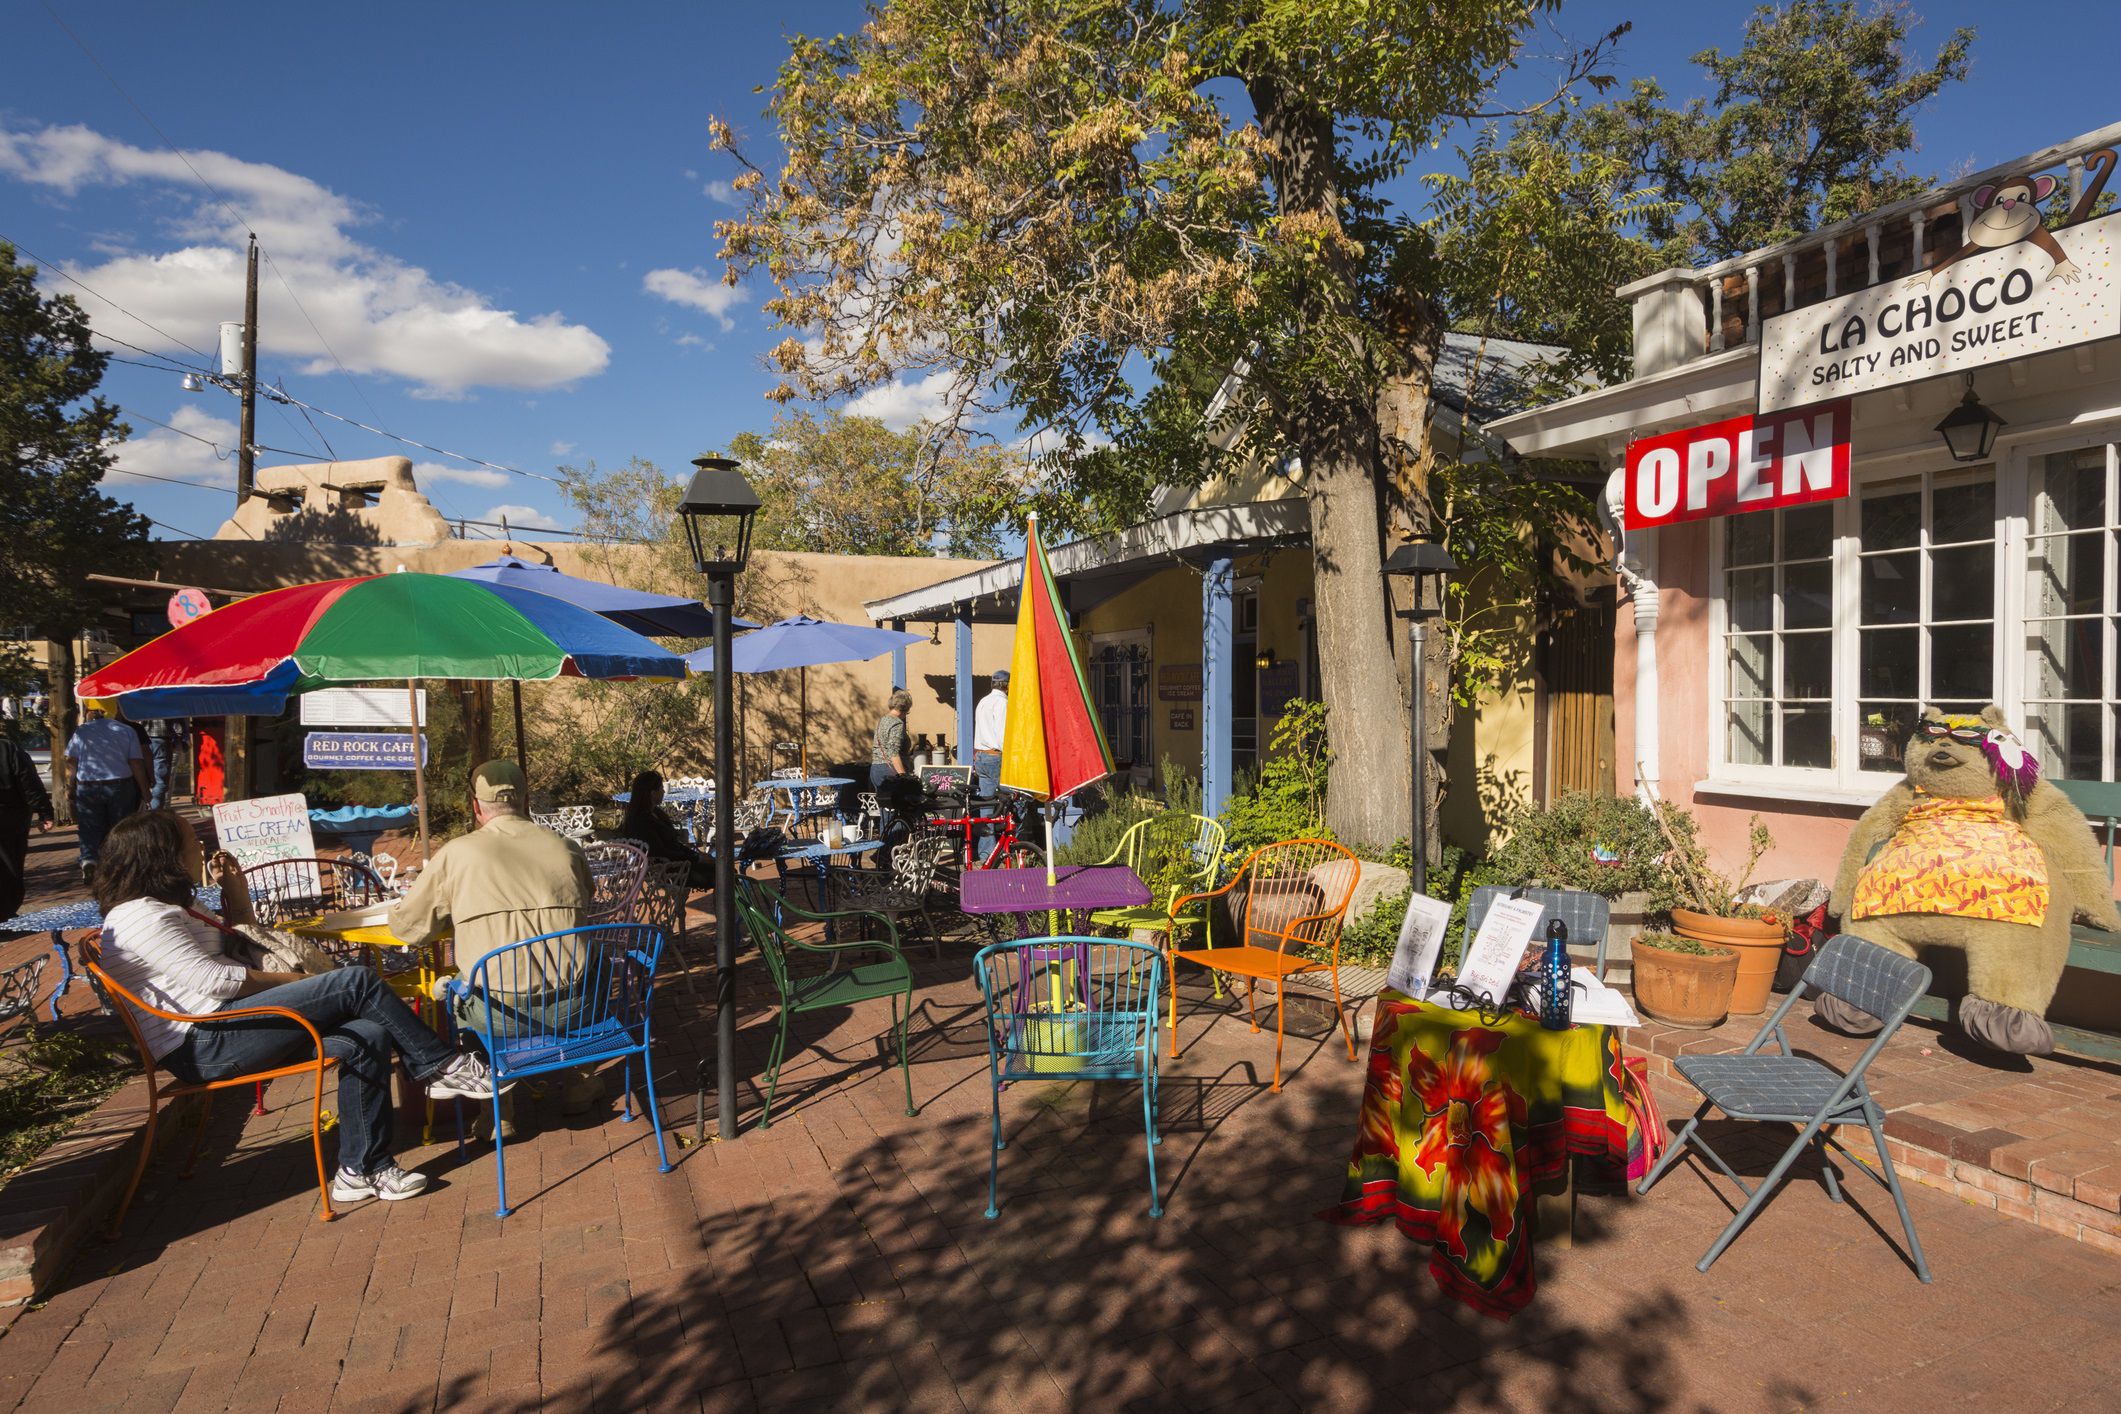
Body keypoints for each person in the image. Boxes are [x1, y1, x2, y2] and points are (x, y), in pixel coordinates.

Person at [93, 810, 503, 1204]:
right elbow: (216, 980)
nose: (199, 847)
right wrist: (302, 983)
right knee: (355, 981)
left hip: (233, 1024)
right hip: (205, 1043)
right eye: (189, 840)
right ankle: (440, 1065)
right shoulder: (140, 918)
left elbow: (239, 947)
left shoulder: (170, 905)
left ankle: (362, 1169)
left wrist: (233, 892)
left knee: (368, 1035)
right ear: (161, 854)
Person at [389, 759, 598, 1110]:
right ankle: (579, 1083)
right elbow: (587, 899)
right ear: (526, 800)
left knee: (464, 985)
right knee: (592, 961)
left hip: (498, 1014)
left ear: (475, 805)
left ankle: (498, 1111)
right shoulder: (565, 847)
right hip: (575, 1006)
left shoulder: (456, 854)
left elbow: (409, 929)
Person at [66, 701, 149, 881]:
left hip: (87, 785)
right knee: (121, 828)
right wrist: (144, 789)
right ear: (115, 710)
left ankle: (89, 860)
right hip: (120, 784)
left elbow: (72, 761)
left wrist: (70, 785)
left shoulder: (83, 731)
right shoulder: (126, 731)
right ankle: (122, 865)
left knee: (89, 827)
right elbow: (136, 762)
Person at [619, 770, 710, 887]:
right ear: (652, 793)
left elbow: (674, 844)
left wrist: (696, 855)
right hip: (670, 870)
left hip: (680, 862)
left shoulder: (656, 813)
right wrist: (696, 858)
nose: (663, 791)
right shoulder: (641, 821)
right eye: (661, 788)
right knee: (724, 873)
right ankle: (725, 904)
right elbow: (661, 852)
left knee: (722, 868)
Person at [0, 734, 55, 924]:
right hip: (9, 818)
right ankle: (5, 911)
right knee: (9, 864)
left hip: (10, 816)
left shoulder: (8, 749)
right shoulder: (7, 749)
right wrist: (44, 811)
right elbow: (28, 782)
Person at [870, 689, 914, 789]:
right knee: (899, 803)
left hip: (876, 769)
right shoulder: (897, 723)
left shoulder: (882, 720)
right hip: (890, 772)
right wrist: (904, 777)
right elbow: (893, 752)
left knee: (883, 803)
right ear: (906, 708)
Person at [144, 716, 184, 811]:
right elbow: (178, 725)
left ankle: (151, 808)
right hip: (161, 739)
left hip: (143, 740)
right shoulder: (167, 702)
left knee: (146, 777)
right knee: (161, 781)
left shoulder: (139, 702)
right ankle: (155, 812)